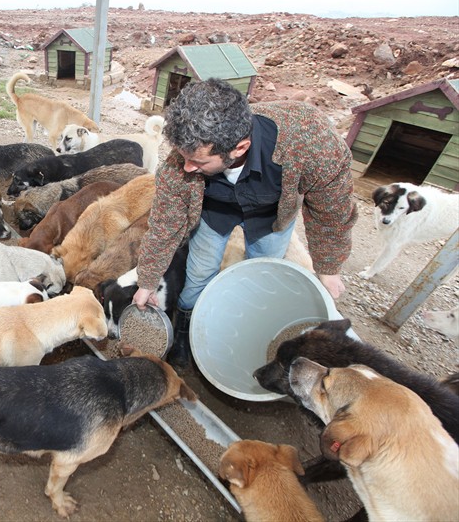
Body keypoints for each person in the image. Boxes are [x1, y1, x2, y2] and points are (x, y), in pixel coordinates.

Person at [133, 78, 357, 366]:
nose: (187, 166)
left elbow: (331, 210)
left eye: (198, 163)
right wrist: (148, 281)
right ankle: (185, 328)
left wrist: (328, 266)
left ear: (239, 148)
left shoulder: (312, 144)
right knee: (199, 271)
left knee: (262, 274)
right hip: (216, 209)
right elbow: (165, 225)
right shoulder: (182, 164)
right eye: (183, 156)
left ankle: (245, 330)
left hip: (272, 214)